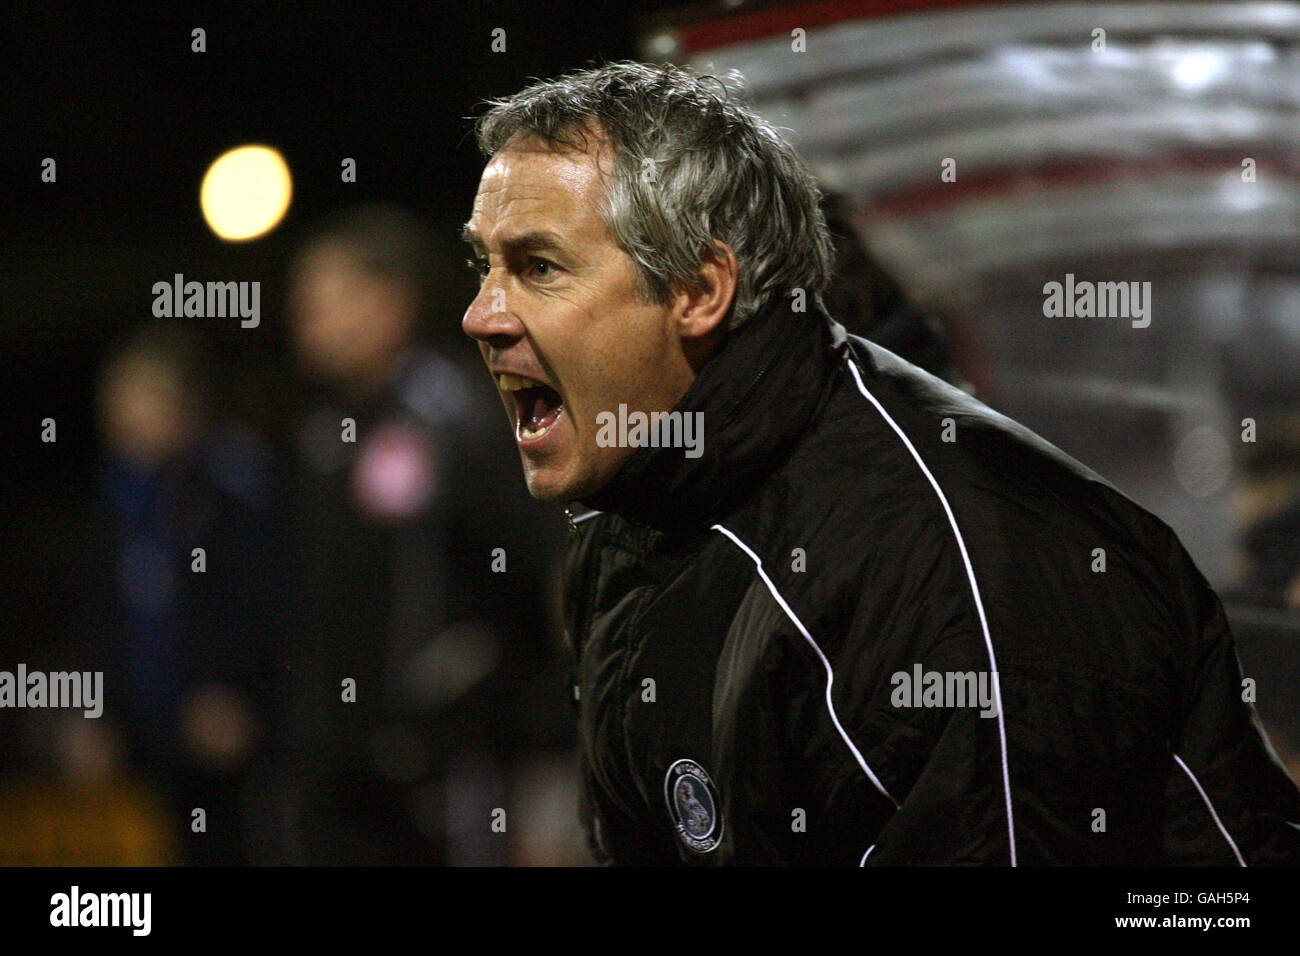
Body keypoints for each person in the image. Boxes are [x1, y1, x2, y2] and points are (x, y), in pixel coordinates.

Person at [459, 61, 1300, 865]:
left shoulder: (950, 565)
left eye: (538, 267)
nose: (481, 315)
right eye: (483, 265)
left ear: (698, 291)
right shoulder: (639, 513)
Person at [283, 204, 570, 864]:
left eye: (325, 295)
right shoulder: (323, 431)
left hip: (448, 755)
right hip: (341, 760)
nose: (305, 315)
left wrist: (531, 707)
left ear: (391, 302)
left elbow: (537, 562)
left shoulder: (460, 417)